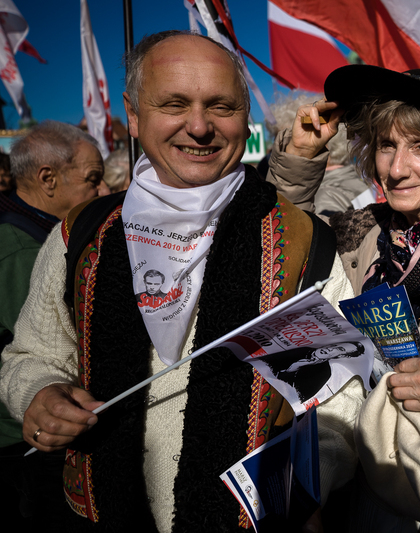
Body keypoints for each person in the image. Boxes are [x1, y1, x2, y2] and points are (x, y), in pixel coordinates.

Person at [0, 31, 362, 532]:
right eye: (174, 104)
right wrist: (39, 394)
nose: (199, 127)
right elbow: (31, 356)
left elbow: (340, 396)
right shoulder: (82, 233)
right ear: (133, 113)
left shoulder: (302, 239)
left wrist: (294, 485)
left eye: (221, 106)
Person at [268, 66, 420, 531]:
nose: (396, 169)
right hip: (356, 486)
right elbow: (280, 245)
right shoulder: (353, 236)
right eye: (386, 145)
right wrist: (300, 156)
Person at [0, 121, 108, 523]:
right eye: (92, 180)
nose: (100, 191)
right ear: (48, 178)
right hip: (25, 447)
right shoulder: (22, 251)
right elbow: (55, 350)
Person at [264, 342, 366, 402]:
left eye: (339, 349)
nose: (330, 348)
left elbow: (296, 398)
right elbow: (265, 361)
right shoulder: (302, 347)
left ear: (340, 356)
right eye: (335, 344)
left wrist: (291, 371)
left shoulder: (324, 373)